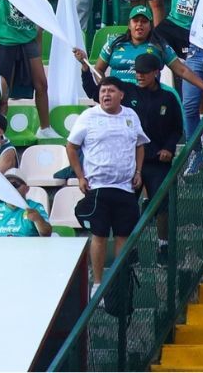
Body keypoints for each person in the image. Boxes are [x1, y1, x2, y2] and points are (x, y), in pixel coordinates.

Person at [66, 76, 149, 288]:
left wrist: (139, 171)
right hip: (98, 187)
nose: (106, 95)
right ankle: (98, 283)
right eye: (103, 91)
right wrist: (80, 176)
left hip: (125, 186)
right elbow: (71, 146)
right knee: (99, 235)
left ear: (121, 95)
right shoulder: (88, 116)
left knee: (123, 235)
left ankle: (119, 281)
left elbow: (140, 144)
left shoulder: (131, 115)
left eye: (111, 91)